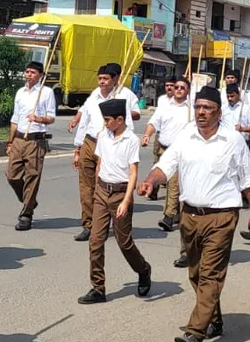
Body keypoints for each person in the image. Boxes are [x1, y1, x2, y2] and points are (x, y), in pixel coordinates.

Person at [139, 86, 250, 342]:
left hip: (222, 216)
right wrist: (150, 180)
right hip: (190, 216)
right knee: (195, 273)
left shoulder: (233, 140)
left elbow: (249, 182)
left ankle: (195, 332)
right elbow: (166, 165)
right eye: (198, 107)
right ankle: (214, 319)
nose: (201, 112)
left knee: (210, 274)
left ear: (219, 113)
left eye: (207, 108)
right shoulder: (186, 136)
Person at [78, 98, 151, 304]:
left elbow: (133, 172)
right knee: (95, 241)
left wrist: (126, 201)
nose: (105, 123)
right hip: (102, 192)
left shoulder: (131, 140)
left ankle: (143, 269)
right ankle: (98, 288)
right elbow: (100, 163)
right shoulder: (103, 136)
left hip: (120, 194)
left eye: (108, 120)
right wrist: (96, 190)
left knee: (124, 243)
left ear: (120, 120)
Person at [68, 62, 140, 243]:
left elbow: (129, 126)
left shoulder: (122, 97)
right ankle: (88, 225)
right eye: (100, 78)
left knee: (105, 185)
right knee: (86, 187)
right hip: (90, 142)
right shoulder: (94, 96)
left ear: (114, 79)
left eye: (106, 79)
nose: (102, 82)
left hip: (109, 145)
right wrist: (77, 148)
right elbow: (85, 122)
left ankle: (112, 223)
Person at [7, 59, 56, 231]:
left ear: (40, 75)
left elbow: (51, 117)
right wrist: (10, 141)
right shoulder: (20, 92)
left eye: (33, 72)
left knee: (32, 177)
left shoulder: (46, 92)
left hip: (36, 139)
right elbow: (15, 118)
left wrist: (38, 119)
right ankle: (30, 200)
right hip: (19, 138)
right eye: (27, 71)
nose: (28, 75)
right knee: (12, 176)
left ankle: (26, 214)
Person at [143, 76, 192, 235]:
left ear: (188, 91)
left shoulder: (191, 109)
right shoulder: (164, 106)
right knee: (167, 180)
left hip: (181, 152)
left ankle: (168, 216)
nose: (178, 90)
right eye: (177, 87)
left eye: (182, 88)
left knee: (173, 183)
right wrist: (147, 134)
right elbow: (153, 123)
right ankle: (176, 212)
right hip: (164, 150)